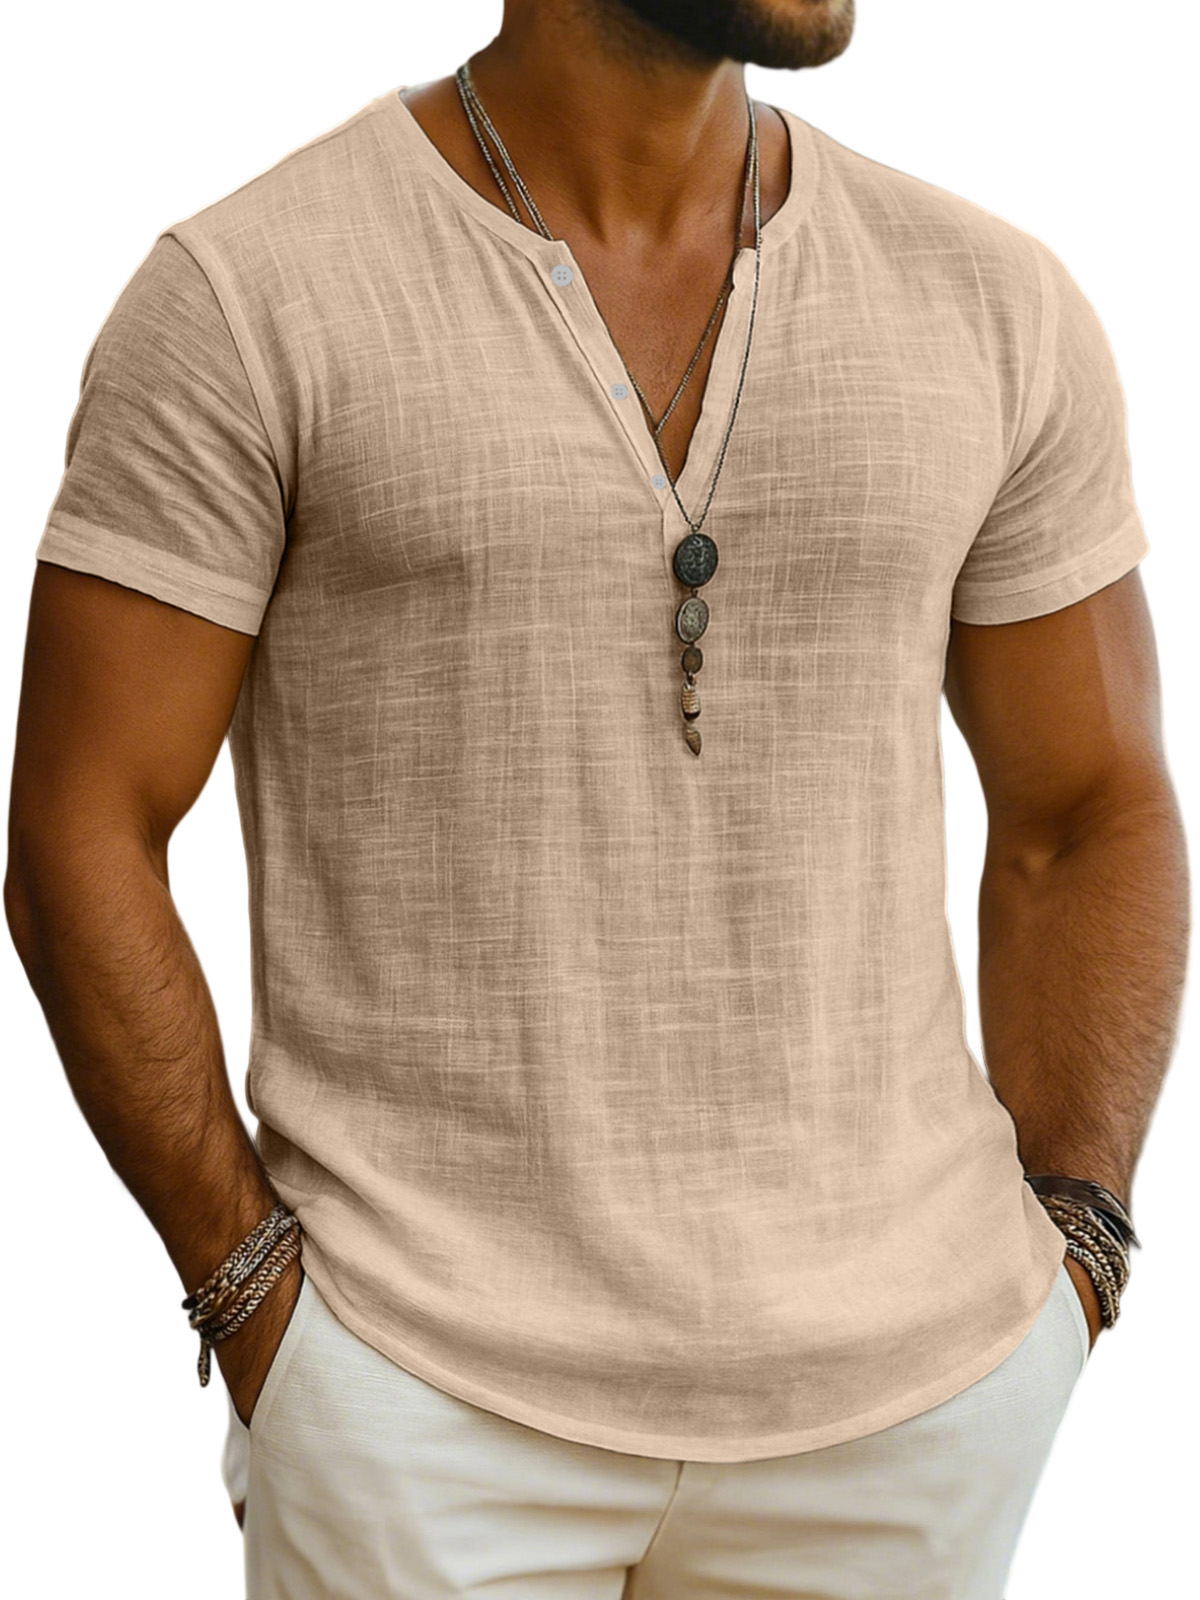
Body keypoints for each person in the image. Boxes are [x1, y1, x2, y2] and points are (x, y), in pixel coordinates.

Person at [5, 1, 1188, 1595]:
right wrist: (254, 1300)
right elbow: (81, 829)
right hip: (423, 1394)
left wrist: (1078, 1259)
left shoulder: (992, 303)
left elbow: (1088, 808)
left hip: (909, 1403)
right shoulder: (252, 296)